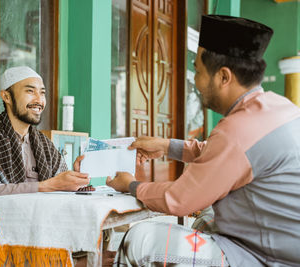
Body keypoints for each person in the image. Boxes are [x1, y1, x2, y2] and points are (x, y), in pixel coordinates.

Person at [107, 15, 300, 267]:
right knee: (205, 219)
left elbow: (180, 199)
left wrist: (131, 185)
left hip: (265, 258)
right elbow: (222, 156)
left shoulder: (237, 130)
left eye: (197, 71)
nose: (195, 82)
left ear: (223, 76)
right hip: (276, 245)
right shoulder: (279, 107)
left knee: (142, 239)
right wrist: (166, 146)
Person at [0, 66, 91, 267]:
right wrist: (47, 186)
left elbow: (60, 186)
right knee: (34, 254)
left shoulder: (44, 145)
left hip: (35, 231)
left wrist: (74, 178)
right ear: (6, 96)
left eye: (42, 92)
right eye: (30, 91)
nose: (39, 100)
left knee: (94, 242)